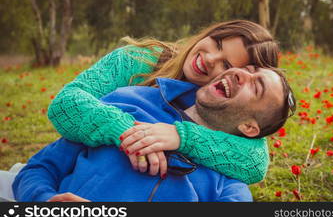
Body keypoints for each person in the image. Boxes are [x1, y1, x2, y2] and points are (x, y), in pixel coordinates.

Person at [47, 20, 280, 184]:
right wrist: (129, 132)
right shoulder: (135, 60)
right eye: (217, 43)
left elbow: (256, 161)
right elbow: (66, 104)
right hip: (73, 168)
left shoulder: (215, 106)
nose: (209, 59)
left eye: (226, 66)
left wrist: (181, 136)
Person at [13, 67, 295, 202]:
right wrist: (44, 202)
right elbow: (40, 167)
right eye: (248, 70)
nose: (241, 75)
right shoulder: (128, 102)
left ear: (249, 128)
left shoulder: (230, 181)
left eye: (255, 87)